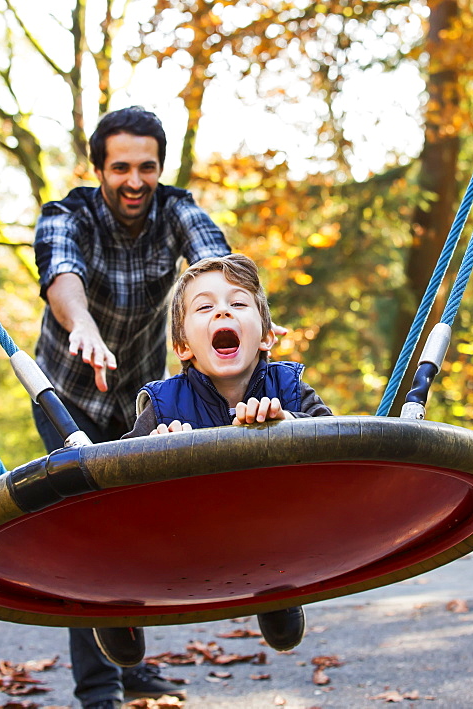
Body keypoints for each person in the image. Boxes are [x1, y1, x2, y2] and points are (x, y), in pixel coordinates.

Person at [32, 106, 231, 709]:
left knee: (142, 523)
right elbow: (61, 272)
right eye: (121, 168)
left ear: (160, 169)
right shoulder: (68, 215)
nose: (135, 181)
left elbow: (213, 263)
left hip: (143, 395)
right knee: (91, 530)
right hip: (69, 396)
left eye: (147, 167)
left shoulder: (176, 211)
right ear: (100, 170)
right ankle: (99, 690)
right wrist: (84, 324)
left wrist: (232, 315)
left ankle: (131, 663)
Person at [93, 253, 333, 667]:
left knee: (286, 521)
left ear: (266, 337)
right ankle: (116, 605)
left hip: (270, 533)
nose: (223, 309)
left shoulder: (288, 388)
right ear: (183, 345)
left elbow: (340, 444)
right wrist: (153, 448)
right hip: (184, 538)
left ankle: (278, 592)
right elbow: (115, 476)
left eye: (238, 304)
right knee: (114, 525)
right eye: (204, 307)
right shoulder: (165, 404)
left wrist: (290, 423)